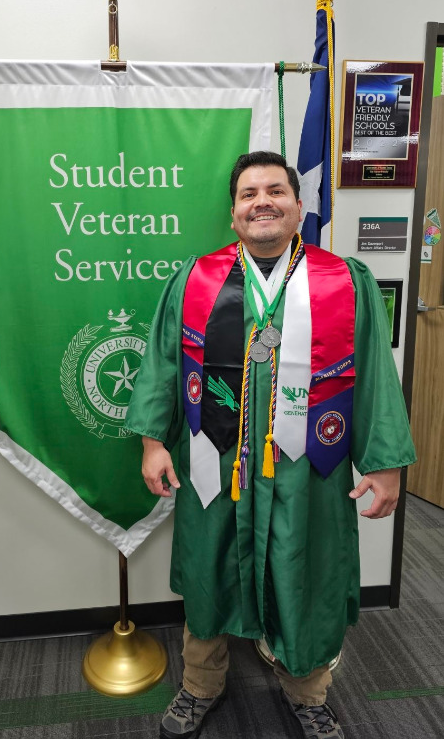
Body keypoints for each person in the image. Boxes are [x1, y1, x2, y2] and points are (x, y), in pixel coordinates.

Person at [124, 151, 416, 739]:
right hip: (216, 462)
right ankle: (201, 684)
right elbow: (161, 364)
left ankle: (307, 688)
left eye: (276, 191)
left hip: (306, 468)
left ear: (298, 208)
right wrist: (154, 442)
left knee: (304, 570)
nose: (263, 202)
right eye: (249, 194)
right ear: (233, 215)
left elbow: (375, 380)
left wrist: (385, 465)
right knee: (209, 569)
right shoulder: (196, 280)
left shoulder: (344, 281)